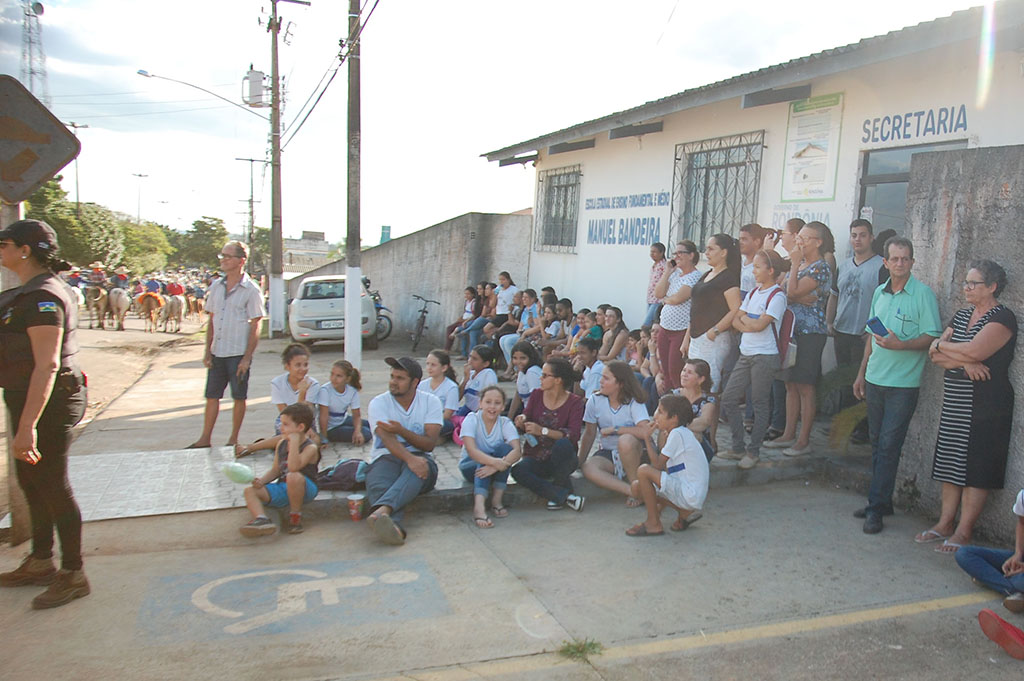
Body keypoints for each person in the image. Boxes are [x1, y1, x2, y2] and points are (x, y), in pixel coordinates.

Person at [0, 220, 89, 609]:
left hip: (48, 404)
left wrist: (27, 427)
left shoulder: (43, 298)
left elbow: (48, 364)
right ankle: (40, 561)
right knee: (31, 481)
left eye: (4, 244)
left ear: (25, 250)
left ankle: (73, 573)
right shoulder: (26, 293)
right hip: (27, 399)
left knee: (53, 484)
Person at [917, 260, 1017, 553]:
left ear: (992, 287)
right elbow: (935, 357)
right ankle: (945, 523)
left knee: (977, 465)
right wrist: (965, 361)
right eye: (966, 282)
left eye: (974, 283)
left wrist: (943, 346)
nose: (967, 288)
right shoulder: (961, 316)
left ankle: (964, 531)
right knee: (951, 460)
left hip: (987, 402)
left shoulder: (1003, 317)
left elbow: (973, 349)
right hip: (956, 400)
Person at [853, 236, 941, 534]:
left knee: (889, 446)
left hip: (903, 384)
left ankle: (875, 508)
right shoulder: (880, 292)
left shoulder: (923, 295)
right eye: (895, 259)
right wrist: (861, 373)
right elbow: (872, 335)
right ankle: (883, 501)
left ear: (912, 262)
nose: (900, 263)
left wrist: (901, 345)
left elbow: (932, 336)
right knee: (877, 443)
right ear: (886, 262)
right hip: (875, 378)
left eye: (905, 258)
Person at [764, 221, 833, 457]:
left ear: (818, 242)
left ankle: (804, 440)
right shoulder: (801, 264)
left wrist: (793, 270)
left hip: (811, 333)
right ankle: (788, 433)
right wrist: (795, 292)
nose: (799, 242)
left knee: (805, 385)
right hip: (791, 331)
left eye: (804, 238)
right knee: (790, 384)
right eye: (798, 237)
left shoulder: (820, 267)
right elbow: (782, 291)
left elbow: (791, 291)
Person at [188, 241, 264, 448]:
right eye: (222, 256)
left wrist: (247, 358)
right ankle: (205, 438)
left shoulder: (251, 290)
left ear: (241, 261)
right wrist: (207, 351)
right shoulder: (216, 286)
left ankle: (233, 439)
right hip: (218, 351)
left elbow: (256, 324)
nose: (223, 260)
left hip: (238, 353)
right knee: (212, 396)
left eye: (228, 256)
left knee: (238, 397)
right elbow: (212, 319)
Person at [719, 249, 789, 469]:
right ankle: (737, 446)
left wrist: (748, 322)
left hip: (764, 356)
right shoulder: (752, 293)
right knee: (729, 398)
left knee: (759, 403)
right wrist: (751, 323)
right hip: (746, 353)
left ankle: (754, 450)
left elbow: (759, 325)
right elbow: (737, 320)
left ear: (771, 270)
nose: (754, 271)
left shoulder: (777, 296)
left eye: (758, 267)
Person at [365, 357, 443, 545]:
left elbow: (429, 444)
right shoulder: (378, 403)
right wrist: (409, 458)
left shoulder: (431, 402)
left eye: (400, 378)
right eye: (392, 376)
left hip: (422, 458)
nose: (393, 382)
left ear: (415, 382)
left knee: (419, 470)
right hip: (386, 457)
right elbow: (387, 438)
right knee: (378, 483)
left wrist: (401, 431)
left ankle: (382, 512)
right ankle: (394, 527)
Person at [684, 234, 742, 450]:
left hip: (714, 340)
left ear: (724, 252)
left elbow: (735, 308)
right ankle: (693, 432)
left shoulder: (728, 278)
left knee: (711, 388)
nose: (706, 253)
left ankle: (711, 439)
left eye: (711, 249)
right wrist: (687, 337)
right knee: (693, 385)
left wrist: (715, 330)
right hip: (696, 339)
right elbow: (695, 308)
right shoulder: (707, 274)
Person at [626, 395, 708, 536]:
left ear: (674, 418)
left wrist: (646, 437)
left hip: (689, 493)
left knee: (643, 471)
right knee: (637, 487)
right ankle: (684, 512)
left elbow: (656, 466)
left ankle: (653, 523)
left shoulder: (677, 434)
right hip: (689, 493)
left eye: (660, 412)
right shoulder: (675, 433)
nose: (655, 415)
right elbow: (663, 471)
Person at [512, 358, 586, 511]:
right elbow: (527, 415)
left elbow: (573, 435)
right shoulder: (536, 395)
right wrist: (522, 420)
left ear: (558, 380)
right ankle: (562, 496)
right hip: (536, 455)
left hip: (562, 459)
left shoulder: (575, 402)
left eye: (545, 375)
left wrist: (543, 431)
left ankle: (558, 492)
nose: (541, 378)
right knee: (518, 470)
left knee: (563, 444)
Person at [239, 403, 321, 536]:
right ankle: (262, 519)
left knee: (293, 476)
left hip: (306, 488)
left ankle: (295, 518)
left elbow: (293, 467)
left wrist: (294, 443)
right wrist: (261, 481)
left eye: (285, 424)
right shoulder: (281, 443)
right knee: (250, 491)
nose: (280, 428)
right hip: (284, 487)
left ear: (300, 427)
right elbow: (276, 470)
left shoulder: (310, 447)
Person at [579, 361, 651, 506]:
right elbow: (589, 433)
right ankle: (633, 491)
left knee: (625, 441)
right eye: (602, 377)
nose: (601, 381)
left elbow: (645, 432)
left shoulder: (634, 401)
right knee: (589, 467)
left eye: (606, 378)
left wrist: (616, 429)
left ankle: (634, 481)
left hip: (636, 451)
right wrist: (580, 460)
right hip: (609, 452)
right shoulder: (595, 400)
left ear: (620, 383)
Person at [458, 386, 522, 529]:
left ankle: (496, 500)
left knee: (506, 449)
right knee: (483, 459)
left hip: (495, 469)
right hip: (470, 466)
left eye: (497, 403)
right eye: (488, 402)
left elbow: (517, 451)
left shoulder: (505, 423)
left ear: (503, 406)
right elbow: (472, 451)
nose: (492, 407)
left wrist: (496, 466)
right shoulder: (472, 419)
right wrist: (496, 463)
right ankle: (479, 507)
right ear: (480, 403)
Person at [955, 488, 1024, 615]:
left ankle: (993, 580)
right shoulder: (1023, 496)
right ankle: (1013, 592)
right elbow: (1022, 523)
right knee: (964, 554)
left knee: (1019, 581)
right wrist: (1018, 553)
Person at [827, 219, 886, 366]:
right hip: (841, 331)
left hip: (864, 334)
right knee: (842, 374)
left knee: (861, 375)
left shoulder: (882, 266)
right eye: (854, 235)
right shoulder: (843, 266)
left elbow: (886, 303)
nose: (857, 239)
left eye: (862, 235)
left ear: (871, 238)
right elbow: (834, 296)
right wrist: (829, 322)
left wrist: (874, 330)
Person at [654, 240, 701, 392]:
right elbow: (658, 293)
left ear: (691, 255)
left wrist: (666, 299)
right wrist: (667, 271)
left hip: (680, 330)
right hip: (665, 328)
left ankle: (680, 399)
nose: (676, 256)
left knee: (675, 370)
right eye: (675, 253)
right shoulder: (675, 275)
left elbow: (678, 298)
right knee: (665, 370)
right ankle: (668, 400)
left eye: (680, 253)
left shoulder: (695, 276)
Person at [318, 359, 371, 444]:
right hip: (331, 428)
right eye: (332, 374)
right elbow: (323, 416)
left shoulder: (352, 391)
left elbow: (356, 415)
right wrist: (324, 438)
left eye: (339, 376)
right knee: (366, 432)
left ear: (347, 379)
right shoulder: (325, 390)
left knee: (369, 424)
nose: (334, 378)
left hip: (343, 419)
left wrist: (357, 432)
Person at [674, 359, 716, 461]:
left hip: (700, 447)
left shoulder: (708, 400)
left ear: (701, 379)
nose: (684, 375)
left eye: (690, 372)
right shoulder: (673, 395)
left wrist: (675, 426)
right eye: (684, 370)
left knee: (695, 435)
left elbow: (704, 422)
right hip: (675, 444)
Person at [499, 288, 540, 377]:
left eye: (526, 297)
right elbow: (521, 324)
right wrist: (519, 330)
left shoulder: (535, 309)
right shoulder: (525, 309)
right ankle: (513, 368)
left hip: (530, 334)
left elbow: (538, 326)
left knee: (508, 342)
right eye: (523, 297)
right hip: (523, 332)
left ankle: (516, 369)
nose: (523, 299)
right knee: (502, 339)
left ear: (532, 299)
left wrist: (526, 331)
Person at [419, 349, 460, 437]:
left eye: (433, 365)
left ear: (444, 368)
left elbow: (447, 414)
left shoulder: (451, 387)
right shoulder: (422, 385)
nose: (429, 368)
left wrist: (428, 421)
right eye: (427, 364)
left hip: (442, 421)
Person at [459, 282, 496, 358]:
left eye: (487, 289)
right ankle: (471, 356)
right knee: (473, 332)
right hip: (482, 322)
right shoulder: (485, 300)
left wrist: (487, 315)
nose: (485, 291)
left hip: (491, 322)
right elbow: (483, 314)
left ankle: (466, 330)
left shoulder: (496, 299)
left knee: (479, 321)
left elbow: (493, 315)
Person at [508, 341, 543, 417]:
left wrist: (525, 418)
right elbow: (518, 395)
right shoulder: (522, 371)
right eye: (515, 358)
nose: (518, 362)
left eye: (523, 358)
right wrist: (509, 417)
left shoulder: (532, 372)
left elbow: (536, 399)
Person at [446, 286, 480, 353]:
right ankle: (447, 349)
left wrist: (465, 320)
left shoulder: (474, 303)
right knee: (449, 328)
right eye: (465, 294)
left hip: (468, 321)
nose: (466, 296)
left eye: (468, 294)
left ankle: (455, 334)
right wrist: (461, 318)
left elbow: (474, 315)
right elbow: (465, 312)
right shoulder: (467, 302)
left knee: (461, 332)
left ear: (473, 294)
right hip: (463, 319)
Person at [643, 242, 668, 327]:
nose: (652, 254)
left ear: (661, 253)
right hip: (650, 298)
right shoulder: (655, 265)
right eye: (651, 252)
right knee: (650, 326)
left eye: (654, 252)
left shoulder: (664, 266)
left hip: (658, 300)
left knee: (647, 324)